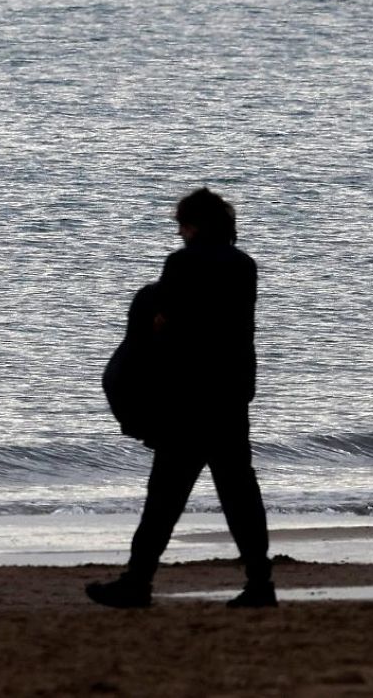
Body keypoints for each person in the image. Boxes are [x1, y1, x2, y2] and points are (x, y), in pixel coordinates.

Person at [86, 188, 276, 610]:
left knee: (165, 497)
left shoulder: (182, 263)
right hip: (230, 395)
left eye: (182, 224)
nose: (181, 231)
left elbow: (166, 325)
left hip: (188, 399)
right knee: (240, 493)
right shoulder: (244, 266)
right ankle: (260, 582)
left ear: (192, 225)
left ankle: (138, 581)